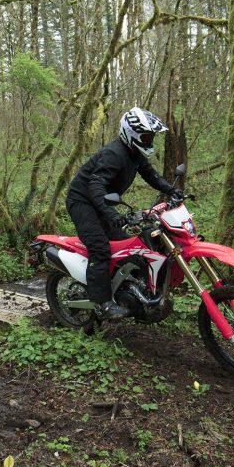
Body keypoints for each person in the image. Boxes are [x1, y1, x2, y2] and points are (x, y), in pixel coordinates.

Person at [66, 107, 179, 319]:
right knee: (100, 249)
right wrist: (112, 214)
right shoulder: (114, 154)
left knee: (129, 248)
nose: (149, 141)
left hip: (101, 204)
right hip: (82, 202)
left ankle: (127, 293)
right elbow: (95, 186)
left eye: (150, 137)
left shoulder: (135, 154)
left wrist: (172, 190)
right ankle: (103, 303)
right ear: (131, 133)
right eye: (146, 136)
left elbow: (151, 176)